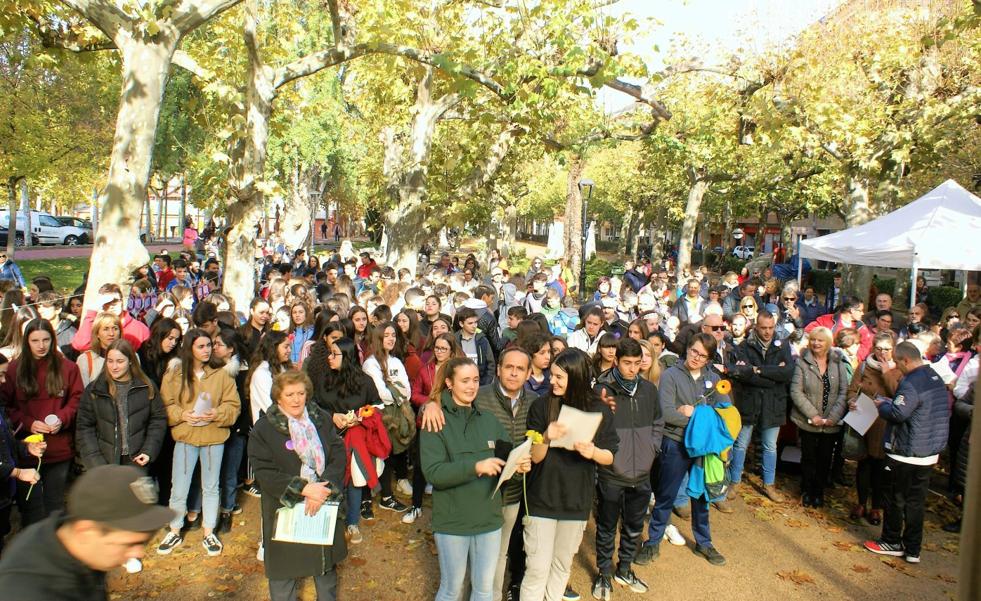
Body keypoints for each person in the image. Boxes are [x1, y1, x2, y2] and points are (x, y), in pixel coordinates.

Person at [422, 357, 532, 601]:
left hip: (488, 520)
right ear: (449, 383)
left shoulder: (489, 421)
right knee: (452, 588)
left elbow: (508, 457)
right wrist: (476, 467)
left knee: (484, 589)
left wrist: (520, 464)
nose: (471, 386)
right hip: (453, 521)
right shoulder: (435, 419)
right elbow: (434, 473)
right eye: (464, 381)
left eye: (475, 380)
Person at [521, 349, 617, 601]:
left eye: (559, 377)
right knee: (536, 569)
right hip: (541, 498)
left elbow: (610, 456)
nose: (552, 381)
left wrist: (593, 451)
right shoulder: (542, 406)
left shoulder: (599, 409)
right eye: (552, 375)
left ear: (576, 377)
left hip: (576, 501)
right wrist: (546, 436)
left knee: (561, 566)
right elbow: (535, 456)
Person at [0, 465, 176, 600]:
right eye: (129, 543)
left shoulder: (78, 546)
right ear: (85, 531)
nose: (139, 553)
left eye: (142, 542)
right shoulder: (26, 590)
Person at [248, 370, 347, 601]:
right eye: (290, 394)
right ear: (278, 397)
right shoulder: (264, 429)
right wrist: (302, 489)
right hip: (285, 510)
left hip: (322, 501)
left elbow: (338, 452)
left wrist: (323, 489)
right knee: (284, 575)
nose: (296, 399)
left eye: (301, 393)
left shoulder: (320, 418)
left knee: (325, 569)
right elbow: (264, 471)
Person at [637, 333, 731, 567]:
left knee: (702, 496)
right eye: (694, 351)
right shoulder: (670, 375)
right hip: (675, 443)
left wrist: (695, 413)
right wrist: (705, 420)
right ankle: (652, 542)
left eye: (703, 355)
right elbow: (667, 413)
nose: (696, 358)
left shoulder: (714, 378)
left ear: (709, 358)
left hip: (704, 448)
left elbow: (727, 413)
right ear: (687, 349)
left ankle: (704, 543)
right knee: (665, 495)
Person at [864, 342, 951, 564]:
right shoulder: (934, 377)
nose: (895, 366)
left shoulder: (911, 383)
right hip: (928, 452)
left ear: (905, 360)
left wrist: (880, 405)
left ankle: (891, 540)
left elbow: (899, 413)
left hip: (905, 452)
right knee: (916, 502)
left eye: (896, 361)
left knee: (895, 498)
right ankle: (913, 548)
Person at [157, 328, 241, 557]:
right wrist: (183, 415)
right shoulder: (175, 374)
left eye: (209, 345)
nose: (207, 350)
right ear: (190, 348)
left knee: (211, 486)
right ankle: (174, 529)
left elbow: (234, 406)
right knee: (180, 486)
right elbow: (165, 405)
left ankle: (208, 531)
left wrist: (216, 413)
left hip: (214, 437)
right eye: (201, 346)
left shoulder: (221, 374)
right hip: (186, 436)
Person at [591, 338, 663, 600]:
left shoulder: (648, 389)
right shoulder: (602, 389)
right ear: (616, 361)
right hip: (612, 471)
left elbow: (658, 422)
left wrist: (652, 449)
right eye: (627, 363)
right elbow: (594, 429)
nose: (633, 369)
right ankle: (604, 572)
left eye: (636, 363)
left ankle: (625, 568)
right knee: (607, 525)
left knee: (634, 525)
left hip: (642, 470)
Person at [0, 319, 84, 520]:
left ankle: (53, 546)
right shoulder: (13, 369)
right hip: (26, 448)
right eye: (35, 340)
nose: (41, 345)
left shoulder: (68, 368)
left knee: (55, 504)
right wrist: (29, 422)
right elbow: (6, 407)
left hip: (59, 448)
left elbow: (77, 400)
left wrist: (62, 419)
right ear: (26, 341)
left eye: (46, 340)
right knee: (31, 507)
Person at [309, 336, 383, 541]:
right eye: (329, 354)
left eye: (335, 354)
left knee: (355, 480)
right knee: (331, 479)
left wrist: (359, 418)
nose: (330, 358)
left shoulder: (364, 381)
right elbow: (314, 405)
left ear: (348, 356)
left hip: (356, 439)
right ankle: (332, 523)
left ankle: (352, 523)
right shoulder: (324, 379)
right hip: (329, 438)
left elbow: (377, 406)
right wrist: (332, 416)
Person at [726, 311, 795, 503]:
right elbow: (742, 373)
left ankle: (769, 484)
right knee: (740, 444)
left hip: (774, 404)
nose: (767, 332)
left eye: (771, 328)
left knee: (770, 446)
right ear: (756, 326)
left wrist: (759, 370)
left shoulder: (783, 346)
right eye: (763, 328)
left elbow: (788, 372)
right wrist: (772, 376)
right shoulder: (744, 346)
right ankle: (734, 481)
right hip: (749, 401)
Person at [789, 326, 849, 507]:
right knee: (809, 457)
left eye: (820, 340)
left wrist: (834, 416)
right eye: (813, 339)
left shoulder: (838, 362)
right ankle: (807, 489)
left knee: (825, 458)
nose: (816, 343)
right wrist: (813, 415)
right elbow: (796, 391)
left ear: (828, 343)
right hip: (808, 420)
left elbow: (844, 391)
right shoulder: (802, 362)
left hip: (831, 421)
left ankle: (819, 491)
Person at [845, 331, 901, 525]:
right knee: (863, 464)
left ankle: (876, 507)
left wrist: (886, 372)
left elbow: (897, 393)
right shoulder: (864, 366)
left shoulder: (899, 369)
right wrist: (851, 400)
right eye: (878, 348)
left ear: (893, 349)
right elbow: (852, 389)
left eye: (886, 349)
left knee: (880, 467)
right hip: (863, 418)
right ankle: (861, 503)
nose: (882, 352)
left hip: (884, 423)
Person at [361, 321, 411, 514]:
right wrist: (396, 392)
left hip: (396, 416)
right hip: (377, 415)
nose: (391, 339)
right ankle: (366, 498)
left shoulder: (396, 362)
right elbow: (380, 392)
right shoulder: (371, 363)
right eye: (387, 335)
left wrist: (396, 392)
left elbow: (406, 390)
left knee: (389, 456)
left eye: (393, 335)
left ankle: (386, 495)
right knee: (372, 456)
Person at [805, 296, 873, 361]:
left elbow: (867, 346)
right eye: (860, 311)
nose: (863, 313)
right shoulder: (826, 320)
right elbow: (808, 332)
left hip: (849, 364)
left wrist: (853, 356)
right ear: (852, 310)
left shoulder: (861, 326)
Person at [76, 313, 122, 386]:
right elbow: (83, 393)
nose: (111, 333)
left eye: (115, 328)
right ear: (97, 333)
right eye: (105, 329)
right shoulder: (85, 359)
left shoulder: (131, 356)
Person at [455, 307, 496, 386]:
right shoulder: (455, 340)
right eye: (470, 323)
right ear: (461, 324)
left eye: (476, 322)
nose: (474, 326)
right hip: (459, 383)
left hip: (480, 384)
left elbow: (490, 364)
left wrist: (485, 384)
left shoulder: (482, 340)